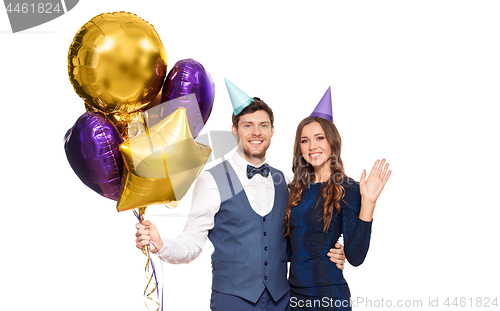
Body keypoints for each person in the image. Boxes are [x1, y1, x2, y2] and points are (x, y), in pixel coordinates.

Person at [135, 79, 346, 311]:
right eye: (248, 125)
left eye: (263, 125)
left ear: (272, 131)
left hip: (283, 301)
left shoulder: (284, 183)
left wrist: (333, 251)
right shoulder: (211, 180)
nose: (256, 132)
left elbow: (298, 237)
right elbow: (192, 243)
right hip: (232, 302)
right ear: (234, 129)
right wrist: (161, 244)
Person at [284, 87, 391, 310]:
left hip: (330, 297)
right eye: (304, 141)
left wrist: (368, 203)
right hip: (293, 298)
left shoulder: (349, 188)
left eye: (319, 138)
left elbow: (355, 256)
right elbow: (286, 250)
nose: (312, 146)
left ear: (332, 142)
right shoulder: (294, 191)